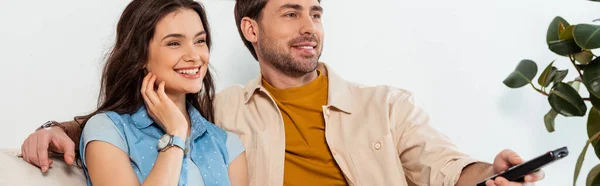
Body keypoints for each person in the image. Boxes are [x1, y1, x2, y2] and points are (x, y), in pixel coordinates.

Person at [21, 0, 543, 185]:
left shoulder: (385, 105)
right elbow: (136, 116)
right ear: (251, 29)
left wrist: (489, 173)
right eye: (290, 13)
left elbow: (444, 167)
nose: (308, 26)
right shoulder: (221, 112)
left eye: (315, 12)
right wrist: (60, 130)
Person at [24, 0, 249, 185]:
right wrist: (175, 134)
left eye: (200, 41)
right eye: (174, 43)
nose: (194, 55)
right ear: (140, 56)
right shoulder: (108, 130)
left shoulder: (228, 145)